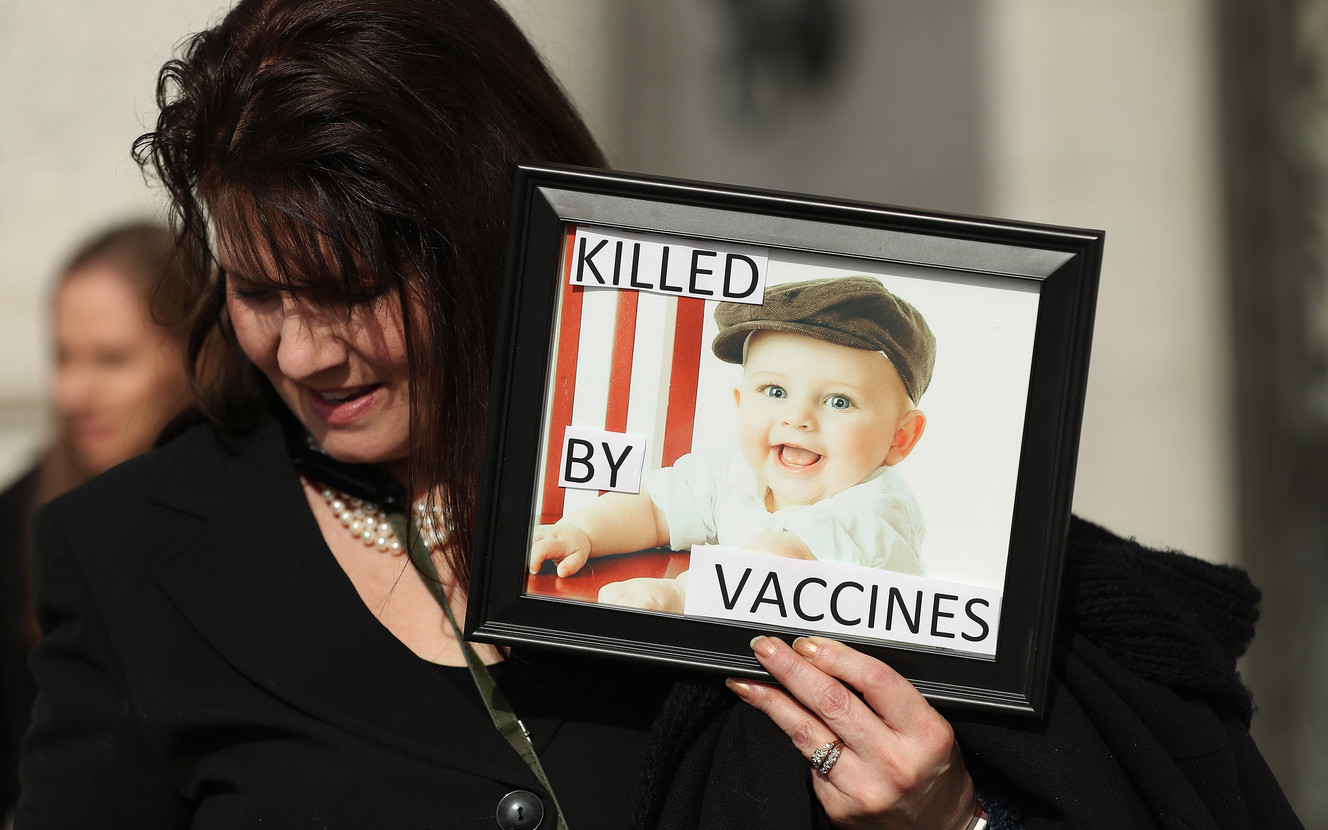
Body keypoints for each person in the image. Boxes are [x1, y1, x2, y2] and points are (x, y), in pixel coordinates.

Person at [15, 1, 1301, 828]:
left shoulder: (807, 503)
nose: (304, 350)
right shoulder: (132, 556)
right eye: (255, 293)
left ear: (480, 234)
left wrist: (953, 815)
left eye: (351, 290)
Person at [531, 276, 934, 614]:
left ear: (901, 438)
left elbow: (785, 557)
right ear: (741, 403)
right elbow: (656, 508)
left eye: (838, 401)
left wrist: (686, 594)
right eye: (774, 391)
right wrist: (581, 531)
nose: (797, 418)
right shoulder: (739, 472)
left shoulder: (876, 509)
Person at [0, 221, 191, 821]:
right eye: (62, 357)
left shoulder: (247, 509)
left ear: (192, 353)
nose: (74, 392)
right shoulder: (16, 519)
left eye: (112, 359)